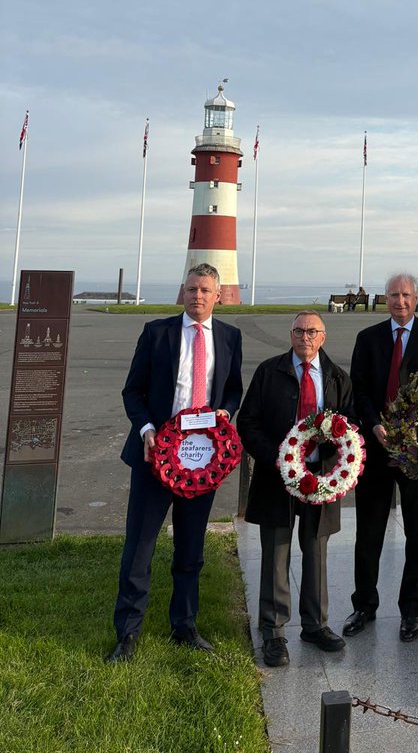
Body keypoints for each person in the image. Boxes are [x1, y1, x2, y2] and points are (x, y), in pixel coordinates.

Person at [107, 263, 243, 662]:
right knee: (140, 547)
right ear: (183, 292)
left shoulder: (230, 337)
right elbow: (133, 391)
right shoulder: (157, 333)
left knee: (191, 548)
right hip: (156, 458)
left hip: (202, 461)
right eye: (191, 288)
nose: (197, 295)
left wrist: (225, 413)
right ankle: (128, 633)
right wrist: (147, 429)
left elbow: (233, 390)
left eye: (205, 290)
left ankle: (184, 625)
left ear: (218, 296)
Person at [237, 311, 354, 665]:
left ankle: (315, 625)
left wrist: (335, 456)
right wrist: (277, 457)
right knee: (276, 551)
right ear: (291, 335)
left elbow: (351, 425)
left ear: (323, 336)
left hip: (320, 478)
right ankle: (273, 631)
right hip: (277, 476)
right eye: (299, 331)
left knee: (316, 549)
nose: (305, 337)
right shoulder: (268, 372)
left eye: (312, 331)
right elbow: (248, 421)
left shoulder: (337, 377)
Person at [343, 272, 418, 642]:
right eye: (393, 295)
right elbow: (358, 390)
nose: (400, 301)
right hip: (376, 446)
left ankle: (411, 611)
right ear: (385, 299)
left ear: (416, 299)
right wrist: (373, 424)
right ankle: (364, 605)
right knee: (369, 531)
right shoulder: (368, 338)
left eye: (406, 295)